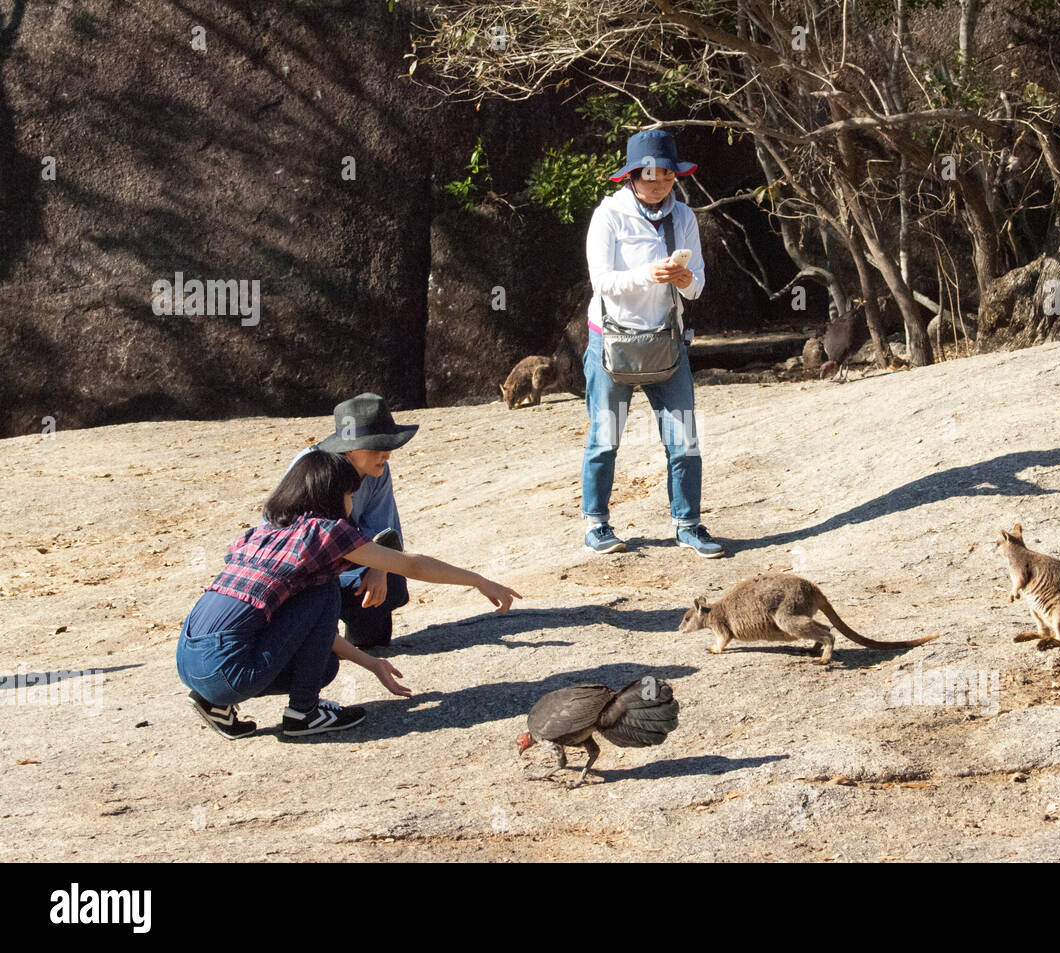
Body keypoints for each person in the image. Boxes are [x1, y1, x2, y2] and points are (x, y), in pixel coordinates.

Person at [176, 450, 520, 739]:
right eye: (350, 494)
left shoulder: (260, 533)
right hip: (229, 669)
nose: (353, 502)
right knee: (325, 589)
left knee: (324, 665)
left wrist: (370, 663)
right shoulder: (324, 532)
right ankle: (304, 714)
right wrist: (478, 580)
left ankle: (214, 703)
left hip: (190, 660)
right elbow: (409, 565)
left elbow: (306, 627)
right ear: (331, 496)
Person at [582, 128, 724, 558]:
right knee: (604, 438)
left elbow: (697, 286)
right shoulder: (609, 216)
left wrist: (685, 280)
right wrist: (650, 273)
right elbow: (601, 282)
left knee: (684, 437)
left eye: (667, 174)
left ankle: (688, 522)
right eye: (649, 174)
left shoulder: (684, 217)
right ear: (631, 176)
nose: (659, 182)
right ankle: (597, 523)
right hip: (612, 343)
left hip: (667, 342)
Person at [296, 393, 416, 649]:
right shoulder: (313, 469)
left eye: (388, 445)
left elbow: (385, 531)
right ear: (350, 450)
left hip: (347, 560)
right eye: (377, 446)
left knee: (392, 585)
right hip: (304, 573)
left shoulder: (378, 470)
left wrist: (379, 569)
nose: (387, 454)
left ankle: (353, 641)